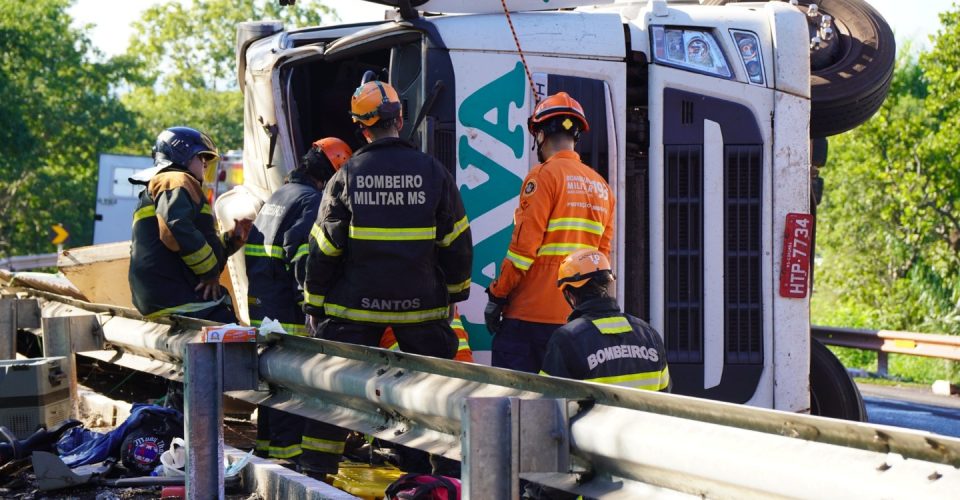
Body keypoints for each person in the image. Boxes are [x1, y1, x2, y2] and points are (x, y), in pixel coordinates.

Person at [302, 77, 472, 476]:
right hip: (421, 312)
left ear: (362, 127)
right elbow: (457, 242)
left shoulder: (347, 175)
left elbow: (324, 246)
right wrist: (452, 294)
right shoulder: (434, 172)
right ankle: (443, 477)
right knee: (435, 397)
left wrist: (314, 302)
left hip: (353, 312)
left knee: (331, 394)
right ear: (400, 118)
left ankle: (316, 471)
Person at [485, 92, 615, 374]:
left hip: (529, 318)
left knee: (517, 406)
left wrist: (497, 295)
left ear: (540, 134)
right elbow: (601, 260)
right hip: (577, 318)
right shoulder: (602, 186)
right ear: (575, 135)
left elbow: (523, 251)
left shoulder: (543, 176)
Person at [245, 137, 353, 471]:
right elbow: (300, 250)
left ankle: (266, 448)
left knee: (271, 381)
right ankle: (285, 461)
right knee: (291, 384)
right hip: (286, 310)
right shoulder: (311, 199)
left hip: (262, 303)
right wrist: (308, 302)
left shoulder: (279, 195)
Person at [129, 126, 251, 322]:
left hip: (169, 293)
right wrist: (209, 273)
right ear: (183, 155)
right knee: (232, 338)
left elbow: (191, 241)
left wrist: (231, 240)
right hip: (178, 296)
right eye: (201, 157)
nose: (205, 164)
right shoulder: (175, 179)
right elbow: (175, 228)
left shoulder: (174, 184)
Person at [540, 249, 671, 392]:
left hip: (594, 416)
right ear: (607, 284)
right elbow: (666, 396)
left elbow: (548, 400)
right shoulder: (648, 334)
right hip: (643, 415)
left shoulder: (567, 339)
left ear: (569, 294)